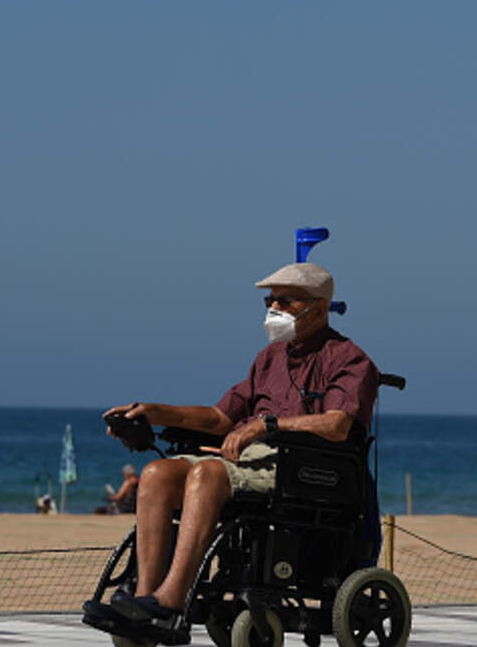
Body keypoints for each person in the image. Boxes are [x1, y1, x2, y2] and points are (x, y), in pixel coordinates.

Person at [102, 262, 379, 622]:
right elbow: (220, 418)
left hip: (301, 466)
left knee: (207, 474)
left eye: (286, 301)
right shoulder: (269, 358)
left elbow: (337, 425)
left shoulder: (349, 359)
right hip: (247, 459)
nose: (274, 308)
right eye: (271, 301)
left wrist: (265, 426)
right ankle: (143, 599)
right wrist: (153, 412)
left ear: (320, 308)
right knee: (157, 473)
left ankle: (172, 599)